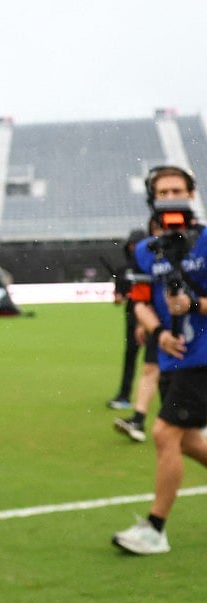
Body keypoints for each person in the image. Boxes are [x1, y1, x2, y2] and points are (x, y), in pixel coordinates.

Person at [113, 165, 207, 555]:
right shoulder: (144, 251)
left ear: (192, 194)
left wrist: (195, 304)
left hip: (203, 358)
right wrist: (157, 332)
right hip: (172, 359)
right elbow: (139, 304)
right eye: (164, 192)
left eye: (178, 190)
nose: (171, 198)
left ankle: (155, 529)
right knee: (185, 441)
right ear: (153, 199)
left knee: (165, 433)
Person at [111, 217, 161, 442]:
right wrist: (144, 323)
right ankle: (138, 418)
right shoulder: (141, 264)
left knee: (174, 374)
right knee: (148, 368)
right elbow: (140, 298)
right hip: (149, 321)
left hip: (185, 324)